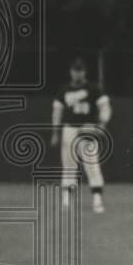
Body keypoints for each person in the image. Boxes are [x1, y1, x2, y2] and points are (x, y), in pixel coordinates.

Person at [51, 57, 112, 213]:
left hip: (87, 128)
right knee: (69, 163)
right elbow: (57, 111)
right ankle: (67, 197)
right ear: (71, 72)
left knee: (91, 163)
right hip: (69, 128)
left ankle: (97, 199)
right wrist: (55, 132)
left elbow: (105, 107)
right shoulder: (64, 90)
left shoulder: (93, 89)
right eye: (75, 71)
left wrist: (102, 125)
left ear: (84, 72)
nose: (77, 74)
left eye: (80, 71)